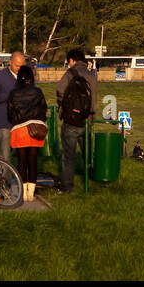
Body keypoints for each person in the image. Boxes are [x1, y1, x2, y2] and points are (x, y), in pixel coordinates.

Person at [56, 50, 98, 194]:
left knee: (68, 156)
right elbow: (94, 98)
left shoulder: (69, 74)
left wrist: (66, 106)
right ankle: (91, 178)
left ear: (72, 60)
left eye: (69, 62)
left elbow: (59, 91)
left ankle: (68, 187)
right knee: (87, 152)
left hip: (71, 121)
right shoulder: (92, 75)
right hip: (87, 119)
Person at [6, 65, 48, 202]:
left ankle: (22, 193)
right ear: (31, 78)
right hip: (35, 128)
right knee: (33, 161)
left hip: (19, 130)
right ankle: (31, 193)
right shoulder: (38, 91)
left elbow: (10, 113)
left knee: (22, 161)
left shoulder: (13, 93)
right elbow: (44, 109)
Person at [0, 51, 26, 164]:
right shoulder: (0, 76)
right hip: (5, 122)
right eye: (17, 65)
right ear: (10, 62)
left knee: (22, 156)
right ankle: (5, 180)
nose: (19, 68)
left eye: (22, 66)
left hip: (22, 122)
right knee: (5, 156)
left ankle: (21, 180)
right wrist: (6, 96)